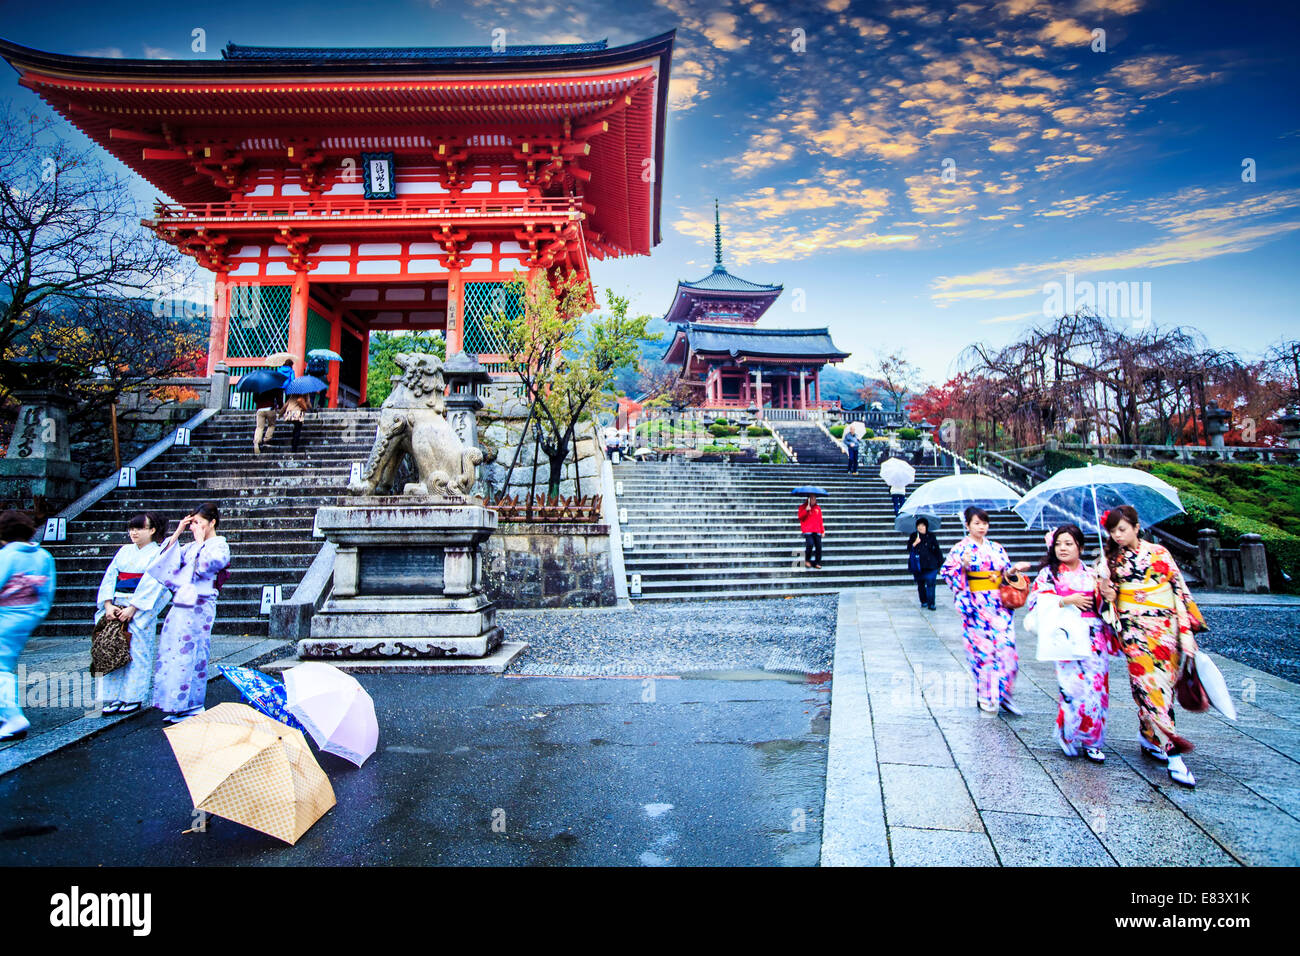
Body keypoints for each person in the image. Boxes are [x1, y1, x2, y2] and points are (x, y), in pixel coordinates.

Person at [1097, 504, 1204, 788]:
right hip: (1134, 632)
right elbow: (1106, 605)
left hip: (1166, 629)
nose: (1117, 535)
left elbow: (1179, 592)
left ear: (1135, 526)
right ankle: (1174, 755)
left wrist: (1186, 633)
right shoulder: (1109, 560)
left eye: (1122, 529)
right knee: (1149, 686)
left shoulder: (1160, 554)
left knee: (1162, 688)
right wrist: (1106, 592)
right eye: (1112, 531)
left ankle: (1148, 734)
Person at [1027, 525, 1111, 763]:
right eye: (1059, 544)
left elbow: (1106, 607)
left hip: (1094, 636)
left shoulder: (1093, 573)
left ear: (1081, 548)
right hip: (1064, 635)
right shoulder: (1048, 575)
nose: (1063, 548)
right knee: (1072, 689)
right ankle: (1068, 734)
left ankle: (1093, 741)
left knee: (1096, 689)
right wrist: (1065, 600)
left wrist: (1105, 585)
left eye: (1069, 544)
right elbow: (1036, 602)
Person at [940, 506, 1031, 716]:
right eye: (977, 523)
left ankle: (1005, 694)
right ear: (967, 525)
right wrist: (962, 567)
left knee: (1008, 651)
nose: (982, 527)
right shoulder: (961, 549)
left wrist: (1014, 570)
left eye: (984, 523)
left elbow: (1004, 572)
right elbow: (948, 573)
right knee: (984, 653)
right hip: (976, 606)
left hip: (999, 605)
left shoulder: (996, 547)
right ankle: (986, 696)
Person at [148, 503, 231, 723]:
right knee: (173, 650)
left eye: (198, 522)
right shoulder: (189, 547)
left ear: (212, 522)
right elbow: (163, 564)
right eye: (192, 523)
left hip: (200, 605)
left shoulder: (219, 546)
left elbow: (207, 567)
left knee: (193, 651)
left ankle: (193, 703)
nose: (194, 527)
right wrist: (177, 532)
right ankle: (175, 704)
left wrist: (202, 543)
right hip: (182, 605)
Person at [95, 512, 172, 716]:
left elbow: (154, 583)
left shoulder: (157, 553)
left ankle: (133, 696)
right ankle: (112, 697)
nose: (134, 532)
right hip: (117, 604)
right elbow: (110, 577)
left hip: (137, 609)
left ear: (152, 530)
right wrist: (108, 604)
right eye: (131, 528)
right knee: (112, 649)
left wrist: (134, 607)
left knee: (137, 653)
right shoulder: (124, 551)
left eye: (139, 528)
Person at [0, 511, 57, 741]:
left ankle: (13, 717)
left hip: (4, 615)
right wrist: (36, 613)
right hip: (27, 614)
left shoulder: (7, 556)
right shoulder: (43, 556)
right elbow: (47, 591)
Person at [907, 517, 943, 610]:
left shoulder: (931, 536)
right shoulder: (914, 536)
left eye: (923, 525)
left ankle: (931, 603)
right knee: (921, 585)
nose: (921, 527)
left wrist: (940, 563)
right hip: (918, 566)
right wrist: (915, 543)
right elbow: (909, 549)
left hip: (931, 565)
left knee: (931, 584)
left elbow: (937, 550)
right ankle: (924, 601)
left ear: (926, 526)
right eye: (919, 525)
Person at [252, 387, 282, 454]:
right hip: (270, 408)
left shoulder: (258, 386)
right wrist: (280, 406)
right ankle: (266, 439)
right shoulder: (273, 386)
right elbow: (278, 397)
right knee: (271, 425)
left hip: (260, 409)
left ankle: (257, 441)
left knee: (259, 427)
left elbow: (254, 399)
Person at [798, 494, 824, 569]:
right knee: (810, 544)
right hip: (808, 530)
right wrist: (806, 510)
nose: (813, 500)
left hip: (817, 530)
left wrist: (822, 530)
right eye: (812, 498)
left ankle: (817, 562)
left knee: (819, 546)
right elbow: (800, 517)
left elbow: (820, 520)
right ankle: (807, 559)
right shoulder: (803, 507)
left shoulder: (818, 508)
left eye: (814, 499)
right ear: (808, 499)